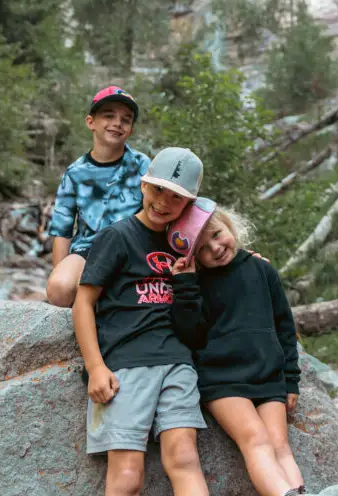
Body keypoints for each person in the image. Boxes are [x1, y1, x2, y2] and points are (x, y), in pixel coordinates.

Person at [72, 146, 209, 496]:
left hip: (177, 363)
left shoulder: (185, 248)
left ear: (189, 204)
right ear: (143, 185)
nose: (164, 202)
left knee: (184, 459)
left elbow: (195, 318)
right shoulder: (117, 236)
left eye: (177, 197)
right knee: (128, 475)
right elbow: (83, 302)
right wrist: (95, 366)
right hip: (126, 366)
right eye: (159, 189)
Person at [170, 207, 306, 496]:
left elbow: (284, 326)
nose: (216, 248)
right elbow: (190, 332)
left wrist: (291, 380)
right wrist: (184, 285)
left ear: (229, 226)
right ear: (193, 256)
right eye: (204, 248)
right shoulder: (197, 283)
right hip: (221, 379)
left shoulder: (262, 269)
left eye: (218, 235)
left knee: (280, 445)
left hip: (268, 374)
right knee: (255, 438)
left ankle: (298, 491)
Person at [46, 86, 150, 308]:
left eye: (126, 119)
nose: (117, 123)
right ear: (90, 122)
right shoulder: (75, 173)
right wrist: (60, 270)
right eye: (109, 115)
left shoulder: (142, 166)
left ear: (131, 130)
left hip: (130, 250)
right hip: (88, 251)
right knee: (59, 288)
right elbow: (62, 230)